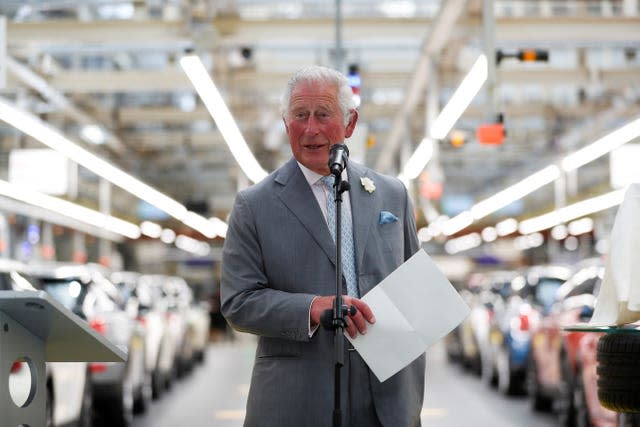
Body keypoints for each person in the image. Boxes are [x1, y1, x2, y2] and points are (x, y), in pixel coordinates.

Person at [221, 65, 425, 427]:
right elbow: (238, 302)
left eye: (322, 114)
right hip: (296, 401)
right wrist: (313, 308)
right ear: (286, 125)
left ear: (350, 123)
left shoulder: (393, 196)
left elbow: (415, 291)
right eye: (300, 115)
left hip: (385, 401)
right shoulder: (254, 205)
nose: (310, 128)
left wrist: (409, 403)